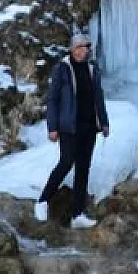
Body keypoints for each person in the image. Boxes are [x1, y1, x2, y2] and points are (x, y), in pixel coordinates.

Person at [34, 32, 110, 227]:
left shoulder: (93, 69)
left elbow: (98, 97)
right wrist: (52, 127)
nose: (87, 50)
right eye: (84, 46)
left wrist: (104, 121)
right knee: (66, 162)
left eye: (88, 47)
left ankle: (78, 215)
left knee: (83, 169)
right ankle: (43, 200)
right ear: (74, 49)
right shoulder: (62, 69)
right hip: (69, 127)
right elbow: (53, 99)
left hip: (89, 127)